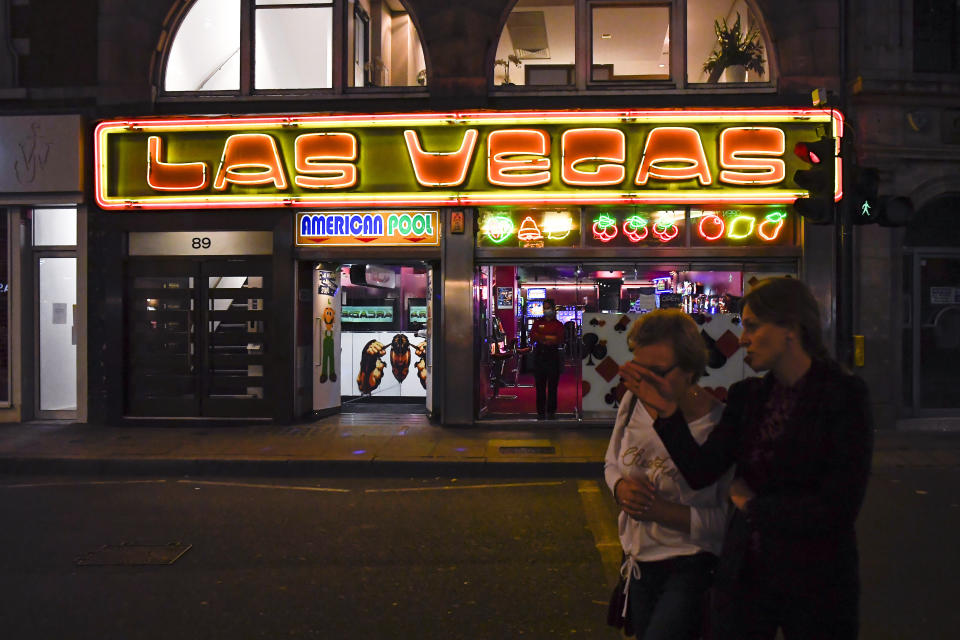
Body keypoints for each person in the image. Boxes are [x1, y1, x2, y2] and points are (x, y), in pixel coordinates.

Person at [620, 277, 873, 640]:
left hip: (817, 578)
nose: (742, 338)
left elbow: (839, 505)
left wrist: (753, 507)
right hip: (747, 576)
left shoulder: (843, 396)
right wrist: (665, 412)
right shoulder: (748, 396)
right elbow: (701, 470)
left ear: (790, 327)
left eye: (753, 326)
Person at [605, 309, 731, 639]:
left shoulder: (718, 424)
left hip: (690, 565)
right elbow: (612, 462)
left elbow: (728, 521)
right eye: (638, 369)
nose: (644, 382)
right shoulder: (632, 402)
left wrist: (663, 512)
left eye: (657, 372)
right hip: (639, 560)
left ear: (690, 369)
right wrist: (619, 488)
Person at [529, 298, 565, 419]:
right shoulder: (537, 322)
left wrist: (542, 337)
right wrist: (549, 337)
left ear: (553, 309)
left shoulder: (558, 324)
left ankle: (551, 411)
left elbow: (559, 339)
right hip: (540, 356)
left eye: (548, 307)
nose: (546, 310)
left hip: (552, 356)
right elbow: (533, 336)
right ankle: (540, 412)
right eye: (544, 308)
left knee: (553, 387)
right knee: (540, 386)